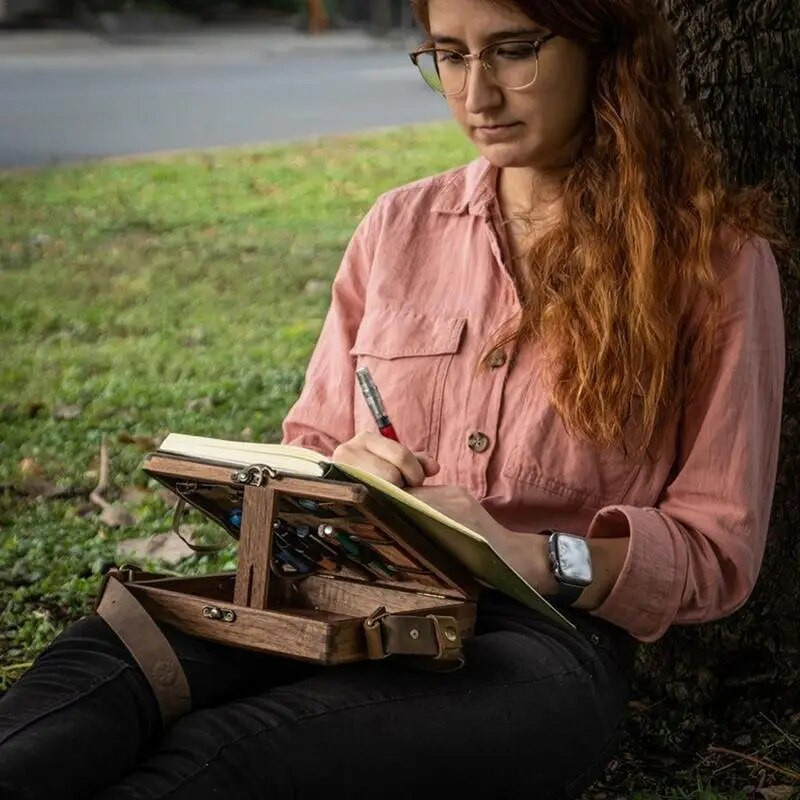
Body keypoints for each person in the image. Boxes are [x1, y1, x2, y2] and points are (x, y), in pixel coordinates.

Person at [0, 0, 786, 798]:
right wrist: (339, 467)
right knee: (90, 683)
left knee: (227, 756)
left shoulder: (714, 260)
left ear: (605, 50)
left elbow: (717, 546)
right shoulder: (398, 226)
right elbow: (310, 439)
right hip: (335, 589)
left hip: (534, 643)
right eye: (448, 55)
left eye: (514, 51)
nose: (476, 94)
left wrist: (542, 557)